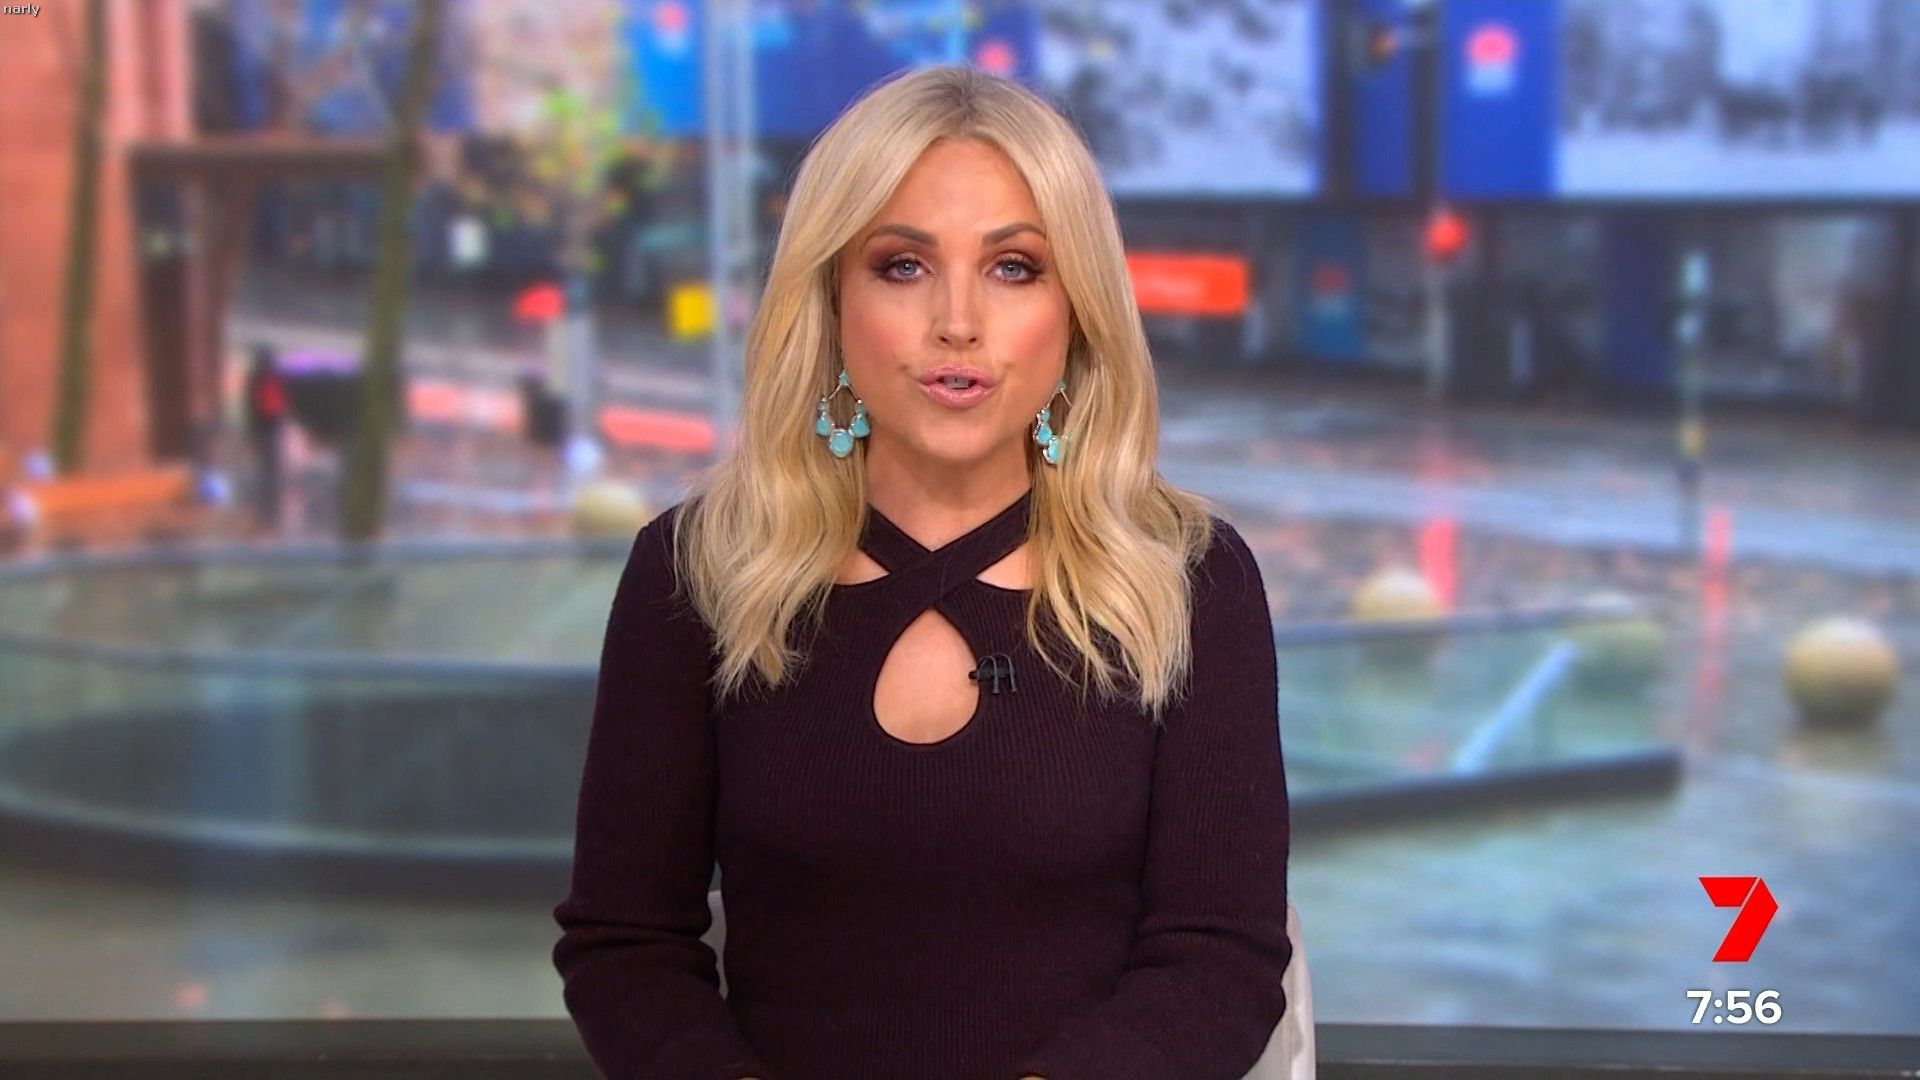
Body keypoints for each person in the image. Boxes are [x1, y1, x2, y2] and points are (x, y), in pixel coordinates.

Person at [551, 65, 1292, 1080]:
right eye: (903, 265)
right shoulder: (697, 573)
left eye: (1014, 267)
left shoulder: (1191, 581)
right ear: (831, 300)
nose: (958, 320)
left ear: (1077, 309)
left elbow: (1221, 958)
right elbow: (625, 944)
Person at [240, 342, 288, 531]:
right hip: (270, 427)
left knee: (266, 468)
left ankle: (267, 507)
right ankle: (269, 506)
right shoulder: (273, 377)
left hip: (264, 428)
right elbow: (279, 405)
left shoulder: (257, 379)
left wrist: (251, 430)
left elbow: (251, 407)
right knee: (270, 467)